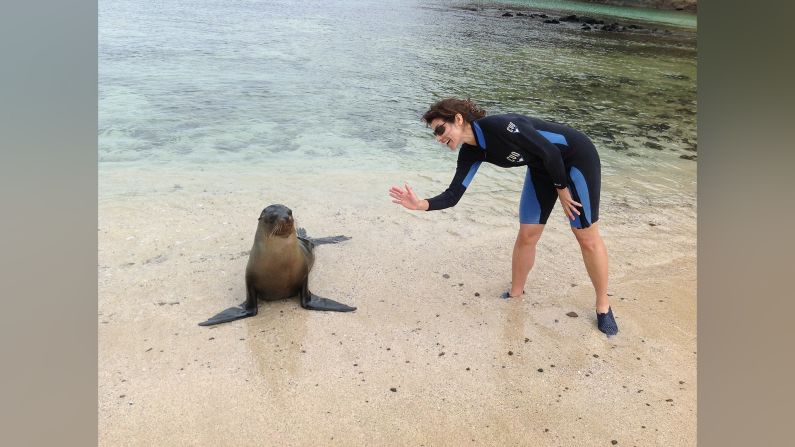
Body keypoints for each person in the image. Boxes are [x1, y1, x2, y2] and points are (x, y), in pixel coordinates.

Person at [389, 98, 618, 336]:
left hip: (575, 158)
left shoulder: (501, 126)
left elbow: (549, 150)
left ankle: (603, 306)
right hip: (542, 167)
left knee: (585, 236)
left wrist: (562, 190)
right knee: (527, 233)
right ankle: (515, 294)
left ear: (458, 119)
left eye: (440, 130)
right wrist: (421, 204)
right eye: (435, 135)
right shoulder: (471, 152)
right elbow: (453, 195)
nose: (438, 138)